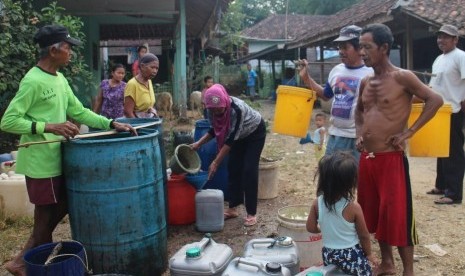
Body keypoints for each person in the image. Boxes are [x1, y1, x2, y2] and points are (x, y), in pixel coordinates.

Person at [0, 25, 136, 276]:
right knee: (44, 216)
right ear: (53, 50)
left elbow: (79, 111)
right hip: (40, 160)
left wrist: (110, 123)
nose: (71, 52)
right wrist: (50, 126)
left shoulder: (59, 79)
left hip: (57, 156)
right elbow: (7, 121)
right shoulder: (33, 80)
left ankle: (23, 260)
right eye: (67, 47)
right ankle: (28, 264)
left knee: (63, 204)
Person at [355, 23, 443, 276]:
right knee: (377, 213)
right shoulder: (365, 81)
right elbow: (359, 112)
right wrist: (360, 133)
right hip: (367, 158)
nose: (362, 52)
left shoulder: (402, 77)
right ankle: (387, 263)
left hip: (391, 158)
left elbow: (435, 100)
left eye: (367, 46)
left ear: (383, 48)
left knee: (398, 216)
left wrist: (409, 132)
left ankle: (408, 270)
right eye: (360, 46)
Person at [191, 84, 266, 227]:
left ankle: (251, 213)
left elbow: (231, 139)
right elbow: (214, 130)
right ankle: (233, 208)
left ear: (224, 101)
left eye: (219, 108)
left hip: (254, 133)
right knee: (233, 168)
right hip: (238, 136)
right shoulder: (212, 111)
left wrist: (216, 162)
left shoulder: (236, 109)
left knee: (249, 170)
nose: (217, 112)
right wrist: (198, 144)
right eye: (213, 110)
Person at [297, 25, 373, 160]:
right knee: (332, 177)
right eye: (339, 47)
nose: (341, 52)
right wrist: (306, 78)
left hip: (358, 139)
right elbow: (325, 95)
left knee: (357, 179)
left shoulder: (371, 73)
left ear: (359, 48)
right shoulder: (336, 70)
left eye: (345, 47)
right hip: (335, 136)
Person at [306, 151, 377, 275]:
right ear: (351, 182)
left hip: (329, 254)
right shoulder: (353, 207)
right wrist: (369, 254)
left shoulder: (317, 203)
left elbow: (310, 227)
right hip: (351, 254)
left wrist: (324, 229)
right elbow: (364, 235)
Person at [427, 24, 465, 205]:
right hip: (440, 110)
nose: (441, 40)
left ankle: (454, 193)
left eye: (446, 37)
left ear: (455, 39)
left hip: (454, 109)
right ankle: (441, 185)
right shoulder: (438, 59)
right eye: (439, 37)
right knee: (440, 149)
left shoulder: (461, 56)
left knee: (453, 153)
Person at [124, 53, 159, 118]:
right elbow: (128, 112)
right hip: (138, 124)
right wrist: (137, 126)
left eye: (157, 68)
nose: (155, 71)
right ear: (142, 66)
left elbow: (148, 105)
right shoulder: (132, 84)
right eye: (152, 67)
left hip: (149, 121)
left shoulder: (149, 81)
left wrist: (150, 110)